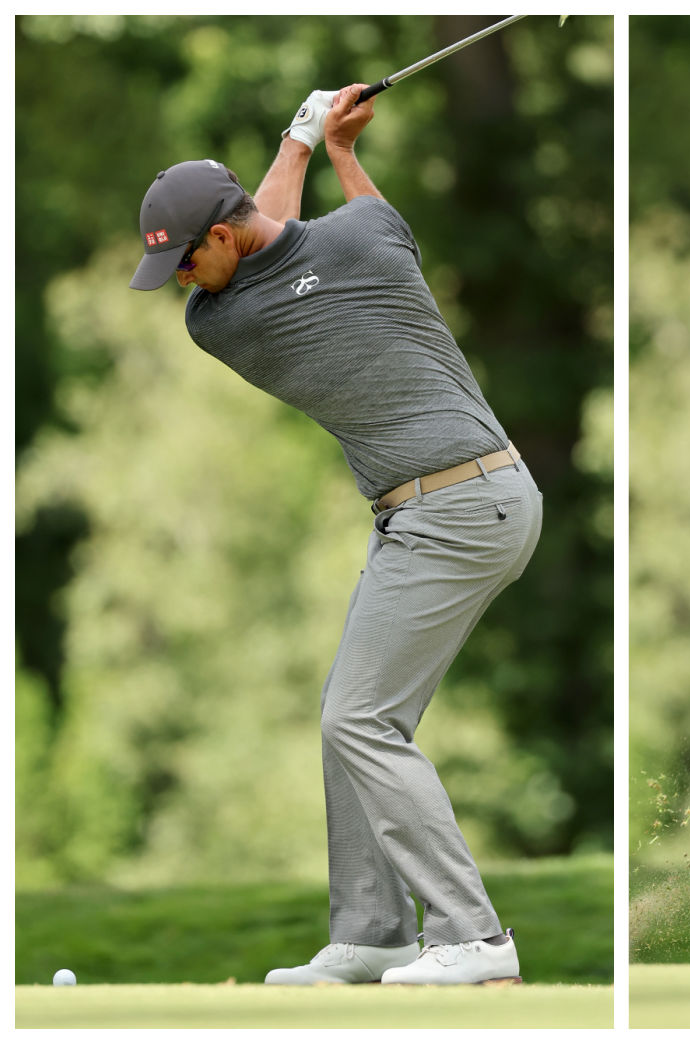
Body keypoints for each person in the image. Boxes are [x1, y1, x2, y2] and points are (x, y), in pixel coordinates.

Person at [130, 84, 541, 986]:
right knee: (348, 719)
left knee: (360, 717)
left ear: (223, 238)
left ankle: (474, 937)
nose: (180, 288)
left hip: (456, 511)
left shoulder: (223, 318)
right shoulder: (372, 239)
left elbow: (272, 237)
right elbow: (307, 232)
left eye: (185, 263)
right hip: (465, 501)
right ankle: (373, 931)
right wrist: (334, 149)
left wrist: (302, 140)